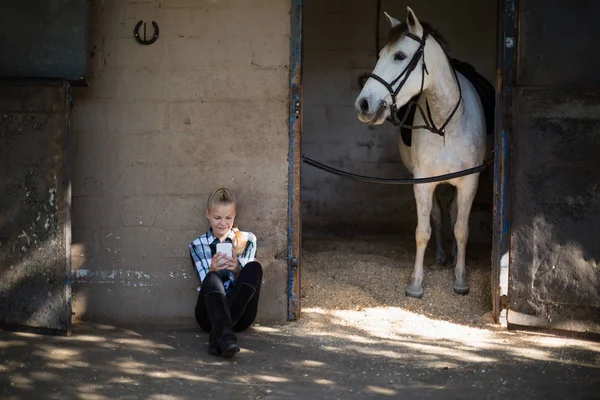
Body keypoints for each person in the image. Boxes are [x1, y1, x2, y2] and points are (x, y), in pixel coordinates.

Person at [189, 188, 263, 358]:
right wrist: (212, 270)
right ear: (208, 214)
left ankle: (221, 336)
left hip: (241, 315)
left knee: (254, 268)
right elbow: (206, 282)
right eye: (217, 218)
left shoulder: (248, 239)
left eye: (228, 218)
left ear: (235, 215)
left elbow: (248, 283)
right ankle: (225, 336)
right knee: (212, 277)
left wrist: (237, 269)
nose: (223, 223)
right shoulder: (198, 245)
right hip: (209, 316)